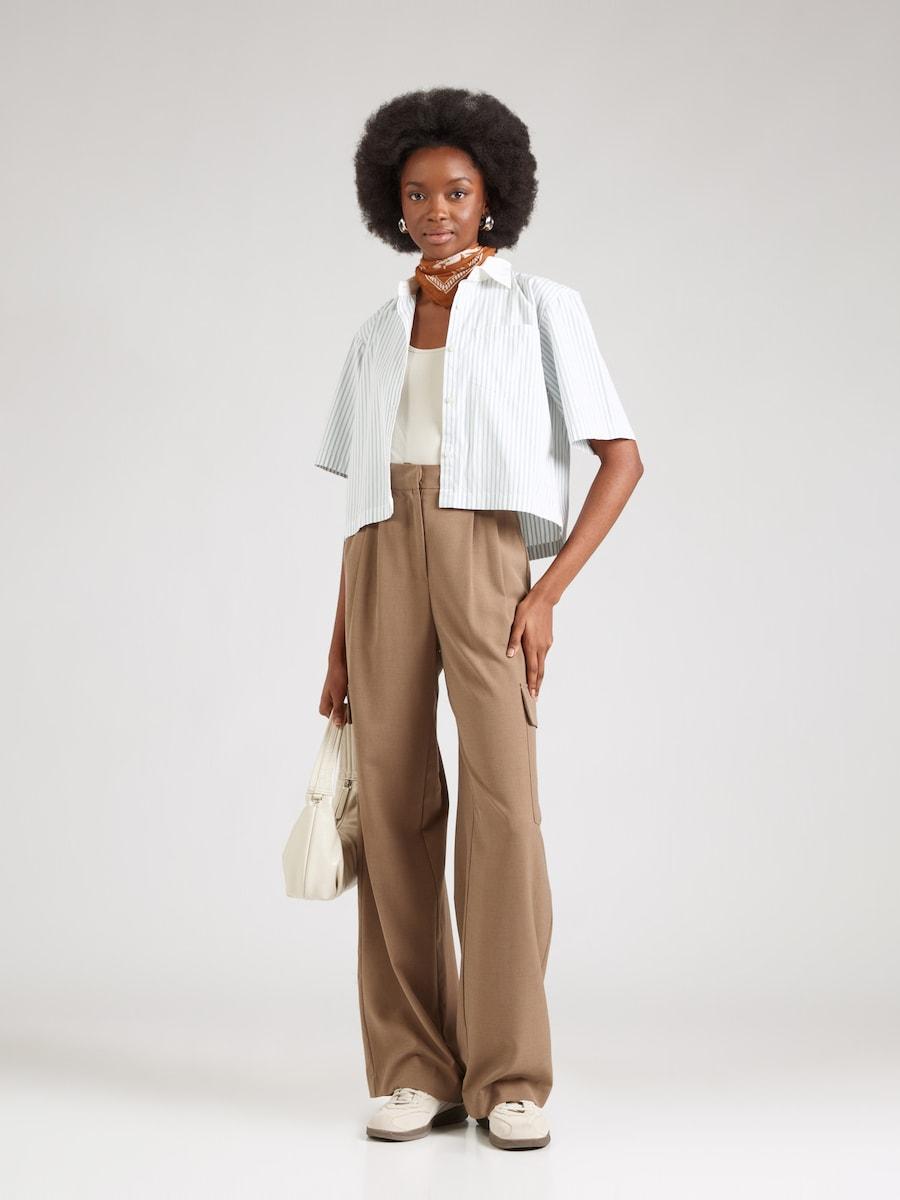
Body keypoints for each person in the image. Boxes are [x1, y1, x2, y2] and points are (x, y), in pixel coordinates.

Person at [313, 87, 644, 1151]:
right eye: (417, 194)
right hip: (380, 557)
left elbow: (622, 459)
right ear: (392, 203)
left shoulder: (541, 306)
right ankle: (415, 1069)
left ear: (492, 194)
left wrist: (544, 594)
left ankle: (509, 1076)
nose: (436, 210)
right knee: (393, 811)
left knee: (503, 806)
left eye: (456, 191)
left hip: (486, 553)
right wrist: (339, 644)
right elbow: (359, 504)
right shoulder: (376, 331)